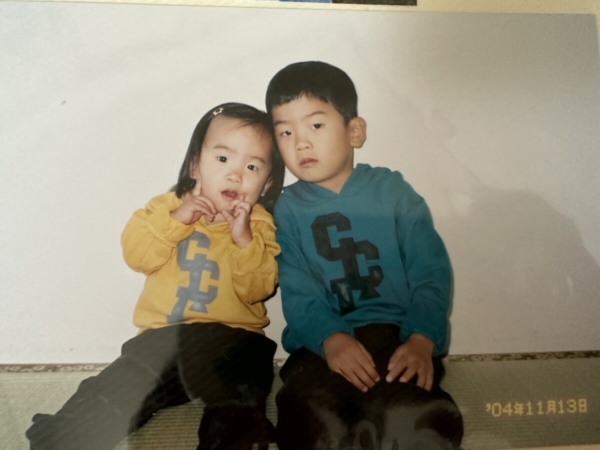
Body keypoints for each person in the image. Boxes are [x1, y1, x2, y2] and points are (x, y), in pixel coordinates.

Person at [26, 103, 286, 450]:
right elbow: (137, 255)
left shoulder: (259, 226)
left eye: (252, 166)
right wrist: (176, 220)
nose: (235, 175)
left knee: (241, 395)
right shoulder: (165, 207)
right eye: (223, 159)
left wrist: (243, 241)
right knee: (125, 382)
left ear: (267, 184)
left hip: (235, 341)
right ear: (195, 165)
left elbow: (259, 289)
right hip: (166, 338)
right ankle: (68, 435)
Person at [265, 61, 464, 449]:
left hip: (397, 337)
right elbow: (298, 291)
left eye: (315, 125)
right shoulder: (286, 210)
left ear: (354, 131)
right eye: (285, 132)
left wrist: (422, 339)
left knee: (409, 414)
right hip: (320, 346)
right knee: (310, 413)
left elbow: (430, 271)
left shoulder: (393, 191)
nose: (300, 143)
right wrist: (330, 339)